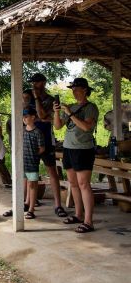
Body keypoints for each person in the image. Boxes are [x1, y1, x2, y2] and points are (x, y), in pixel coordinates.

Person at [53, 78, 99, 233]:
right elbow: (58, 126)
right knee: (73, 184)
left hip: (83, 149)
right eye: (72, 88)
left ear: (85, 90)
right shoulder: (71, 107)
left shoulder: (91, 107)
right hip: (68, 148)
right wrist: (57, 112)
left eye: (76, 88)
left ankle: (89, 221)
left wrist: (70, 113)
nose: (73, 91)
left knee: (84, 184)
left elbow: (86, 127)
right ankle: (79, 215)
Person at [29, 72, 67, 217]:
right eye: (33, 82)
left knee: (52, 172)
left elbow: (43, 115)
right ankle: (28, 204)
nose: (34, 85)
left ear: (43, 83)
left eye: (37, 82)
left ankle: (58, 205)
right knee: (30, 174)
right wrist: (40, 117)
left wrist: (38, 102)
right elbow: (26, 117)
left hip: (46, 139)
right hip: (31, 140)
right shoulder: (28, 98)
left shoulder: (51, 99)